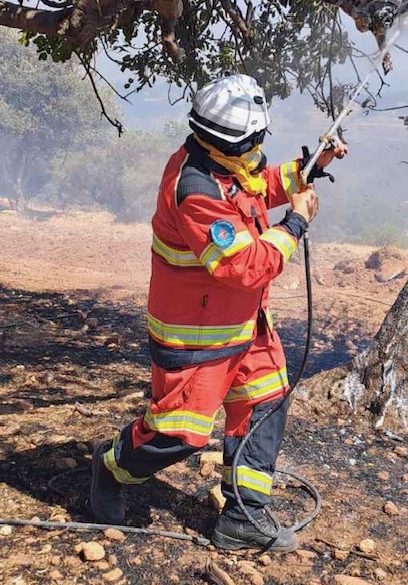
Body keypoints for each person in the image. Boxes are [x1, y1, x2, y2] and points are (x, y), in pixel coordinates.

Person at [90, 74, 346, 554]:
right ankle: (111, 466)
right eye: (256, 139)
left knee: (265, 401)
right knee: (179, 433)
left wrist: (309, 167)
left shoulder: (222, 163)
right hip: (197, 336)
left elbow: (255, 188)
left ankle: (242, 516)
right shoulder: (196, 188)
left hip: (246, 326)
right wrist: (295, 223)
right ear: (236, 140)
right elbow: (244, 265)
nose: (260, 147)